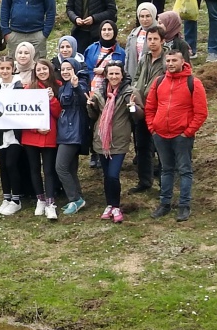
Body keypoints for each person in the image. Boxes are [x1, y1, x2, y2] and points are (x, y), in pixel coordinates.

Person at [145, 47, 208, 221]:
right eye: (168, 61)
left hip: (182, 136)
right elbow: (150, 107)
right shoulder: (158, 82)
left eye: (174, 60)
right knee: (166, 170)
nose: (170, 64)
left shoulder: (194, 83)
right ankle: (164, 203)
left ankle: (184, 205)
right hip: (161, 135)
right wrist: (153, 128)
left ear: (182, 62)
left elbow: (201, 113)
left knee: (185, 170)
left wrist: (188, 132)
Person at [87, 60, 132, 224]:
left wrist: (133, 107)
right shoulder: (99, 93)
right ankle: (110, 205)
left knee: (113, 175)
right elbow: (93, 116)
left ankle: (116, 206)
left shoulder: (129, 92)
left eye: (116, 73)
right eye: (110, 73)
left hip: (119, 141)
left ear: (122, 75)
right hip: (101, 141)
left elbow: (137, 116)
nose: (113, 76)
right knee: (107, 176)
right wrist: (90, 106)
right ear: (106, 75)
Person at [19, 57, 61, 222]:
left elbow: (60, 114)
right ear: (35, 73)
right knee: (34, 168)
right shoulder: (29, 89)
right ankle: (40, 199)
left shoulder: (58, 86)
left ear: (50, 70)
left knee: (49, 170)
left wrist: (52, 100)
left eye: (45, 69)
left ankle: (51, 203)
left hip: (50, 134)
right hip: (31, 134)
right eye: (39, 70)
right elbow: (23, 114)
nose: (42, 72)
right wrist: (35, 128)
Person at [129, 24, 168, 193]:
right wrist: (135, 91)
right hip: (141, 107)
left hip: (160, 108)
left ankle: (164, 184)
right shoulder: (144, 57)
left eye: (155, 39)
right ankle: (144, 181)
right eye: (149, 39)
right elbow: (137, 76)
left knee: (161, 147)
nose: (151, 42)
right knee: (142, 146)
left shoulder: (168, 59)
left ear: (162, 40)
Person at [0, 57, 28, 217]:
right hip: (0, 133)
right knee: (3, 166)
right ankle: (6, 197)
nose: (5, 71)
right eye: (2, 68)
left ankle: (16, 200)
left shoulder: (19, 87)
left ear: (13, 69)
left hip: (14, 134)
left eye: (8, 68)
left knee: (11, 164)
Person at [54, 58, 89, 215]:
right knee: (70, 168)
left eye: (69, 68)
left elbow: (83, 101)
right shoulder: (62, 87)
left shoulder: (79, 84)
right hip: (64, 131)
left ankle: (74, 198)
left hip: (73, 132)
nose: (65, 72)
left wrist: (76, 87)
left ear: (75, 69)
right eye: (63, 69)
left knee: (60, 167)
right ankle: (78, 198)